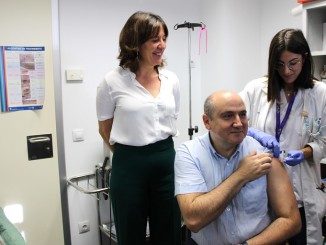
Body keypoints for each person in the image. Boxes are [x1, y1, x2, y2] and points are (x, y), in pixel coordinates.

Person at [96, 11, 181, 245]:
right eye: (155, 39)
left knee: (169, 231)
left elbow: (173, 117)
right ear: (135, 42)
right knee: (130, 233)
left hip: (166, 162)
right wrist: (130, 155)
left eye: (164, 39)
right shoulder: (112, 82)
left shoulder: (171, 79)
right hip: (129, 166)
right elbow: (105, 129)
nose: (162, 45)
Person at [174, 90, 301, 245]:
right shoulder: (190, 153)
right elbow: (193, 220)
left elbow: (291, 220)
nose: (239, 123)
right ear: (207, 122)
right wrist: (241, 175)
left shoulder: (263, 152)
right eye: (228, 116)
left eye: (242, 114)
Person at [240, 28, 326, 245]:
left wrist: (306, 152)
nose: (286, 71)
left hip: (302, 187)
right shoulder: (256, 89)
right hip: (263, 187)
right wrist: (254, 132)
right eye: (279, 64)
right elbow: (236, 124)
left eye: (293, 63)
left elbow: (324, 139)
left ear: (304, 59)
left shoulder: (320, 93)